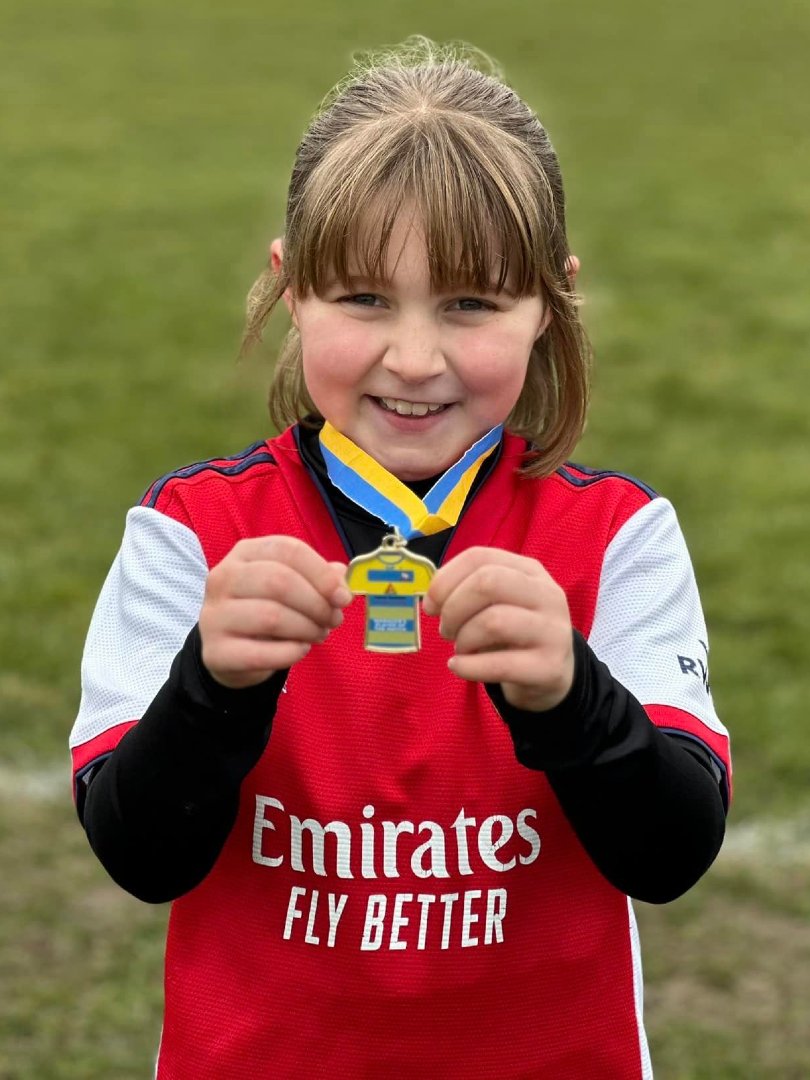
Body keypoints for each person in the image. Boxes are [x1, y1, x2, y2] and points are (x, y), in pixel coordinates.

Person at [69, 39, 730, 1080]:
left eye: (471, 305)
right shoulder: (190, 535)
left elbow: (670, 853)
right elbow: (142, 854)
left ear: (551, 302)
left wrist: (569, 696)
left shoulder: (619, 539)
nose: (414, 358)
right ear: (292, 290)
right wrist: (213, 685)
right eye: (365, 300)